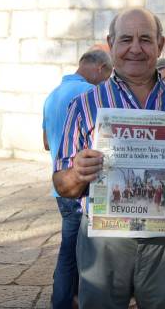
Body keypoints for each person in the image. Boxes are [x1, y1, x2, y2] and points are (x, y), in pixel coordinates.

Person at [52, 8, 165, 308]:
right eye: (126, 39)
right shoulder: (84, 105)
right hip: (103, 239)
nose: (135, 48)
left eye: (145, 39)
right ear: (111, 43)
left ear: (160, 44)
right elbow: (62, 184)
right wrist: (77, 173)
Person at [42, 49, 112, 309]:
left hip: (61, 183)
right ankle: (62, 302)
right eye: (109, 74)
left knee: (70, 249)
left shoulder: (52, 95)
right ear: (100, 68)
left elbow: (47, 143)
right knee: (73, 254)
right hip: (82, 185)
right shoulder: (89, 97)